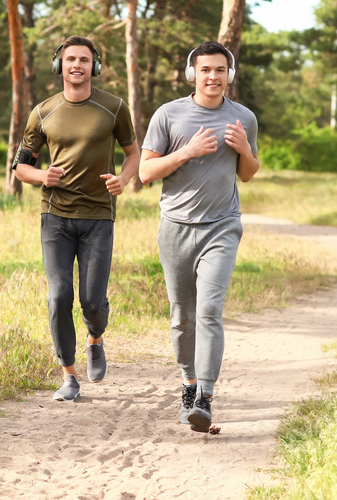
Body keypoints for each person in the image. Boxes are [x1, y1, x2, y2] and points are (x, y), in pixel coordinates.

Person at [138, 40, 259, 432]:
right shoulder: (168, 115)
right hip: (175, 228)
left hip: (222, 226)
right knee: (182, 317)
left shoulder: (243, 118)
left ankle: (205, 395)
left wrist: (244, 150)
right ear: (193, 74)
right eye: (205, 70)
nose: (213, 77)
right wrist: (186, 152)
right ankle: (188, 384)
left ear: (230, 75)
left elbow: (248, 173)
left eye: (220, 70)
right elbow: (145, 173)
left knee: (210, 311)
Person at [13, 35, 139, 402]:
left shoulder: (114, 108)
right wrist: (42, 176)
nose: (77, 66)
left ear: (94, 66)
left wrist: (123, 179)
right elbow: (21, 167)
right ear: (60, 65)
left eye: (84, 60)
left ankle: (95, 338)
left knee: (93, 302)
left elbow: (133, 154)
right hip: (56, 216)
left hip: (99, 215)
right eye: (70, 59)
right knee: (58, 296)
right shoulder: (44, 111)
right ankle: (68, 375)